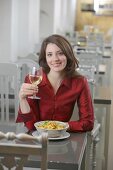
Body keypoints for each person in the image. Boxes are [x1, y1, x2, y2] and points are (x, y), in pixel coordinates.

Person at [16, 34, 94, 132]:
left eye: (60, 53)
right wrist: (22, 99)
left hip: (64, 137)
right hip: (37, 138)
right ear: (45, 58)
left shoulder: (80, 82)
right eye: (49, 54)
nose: (55, 59)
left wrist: (59, 126)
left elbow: (88, 123)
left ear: (68, 54)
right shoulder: (33, 80)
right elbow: (31, 125)